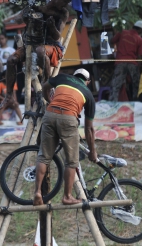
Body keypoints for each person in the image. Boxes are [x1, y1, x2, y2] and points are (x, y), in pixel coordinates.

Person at [0, 0, 72, 109]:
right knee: (11, 60)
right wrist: (25, 14)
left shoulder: (63, 13)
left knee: (40, 50)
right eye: (64, 1)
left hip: (50, 46)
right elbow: (17, 20)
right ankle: (9, 95)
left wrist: (51, 27)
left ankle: (48, 88)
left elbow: (57, 37)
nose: (65, 5)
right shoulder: (37, 4)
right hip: (30, 44)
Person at [33, 69, 98, 206]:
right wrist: (92, 151)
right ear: (88, 82)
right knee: (71, 162)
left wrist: (49, 100)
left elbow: (45, 87)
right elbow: (89, 128)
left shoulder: (62, 78)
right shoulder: (88, 94)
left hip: (50, 114)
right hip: (69, 119)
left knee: (44, 157)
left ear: (73, 76)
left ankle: (37, 192)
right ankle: (67, 196)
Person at [109, 20, 142, 101]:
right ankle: (136, 102)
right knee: (136, 85)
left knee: (116, 85)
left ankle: (112, 103)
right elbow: (139, 56)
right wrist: (138, 68)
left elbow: (112, 41)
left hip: (120, 62)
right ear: (141, 30)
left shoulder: (122, 32)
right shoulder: (140, 39)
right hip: (133, 64)